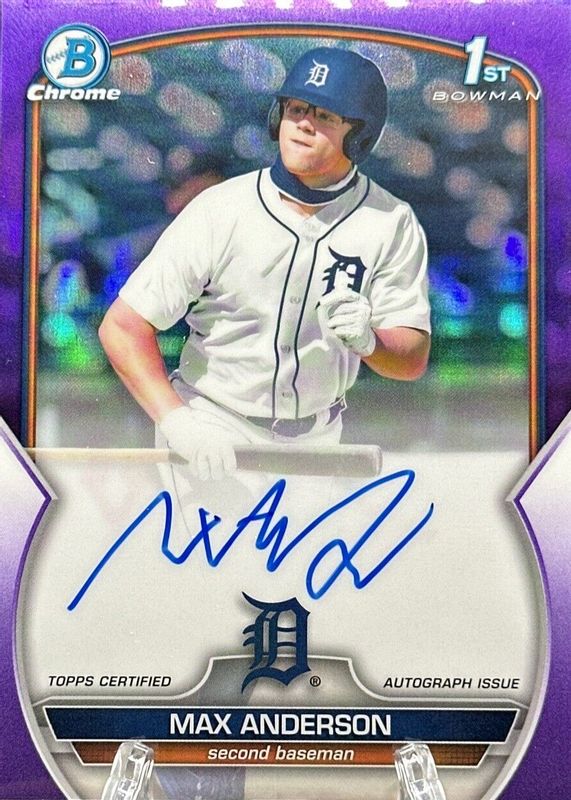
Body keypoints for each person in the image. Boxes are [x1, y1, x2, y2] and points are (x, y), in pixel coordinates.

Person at [99, 47, 431, 481]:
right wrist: (179, 423)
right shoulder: (221, 208)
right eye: (296, 109)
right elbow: (122, 327)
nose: (304, 125)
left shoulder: (390, 221)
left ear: (360, 135)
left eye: (325, 115)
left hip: (319, 440)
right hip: (212, 426)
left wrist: (371, 342)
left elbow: (411, 360)